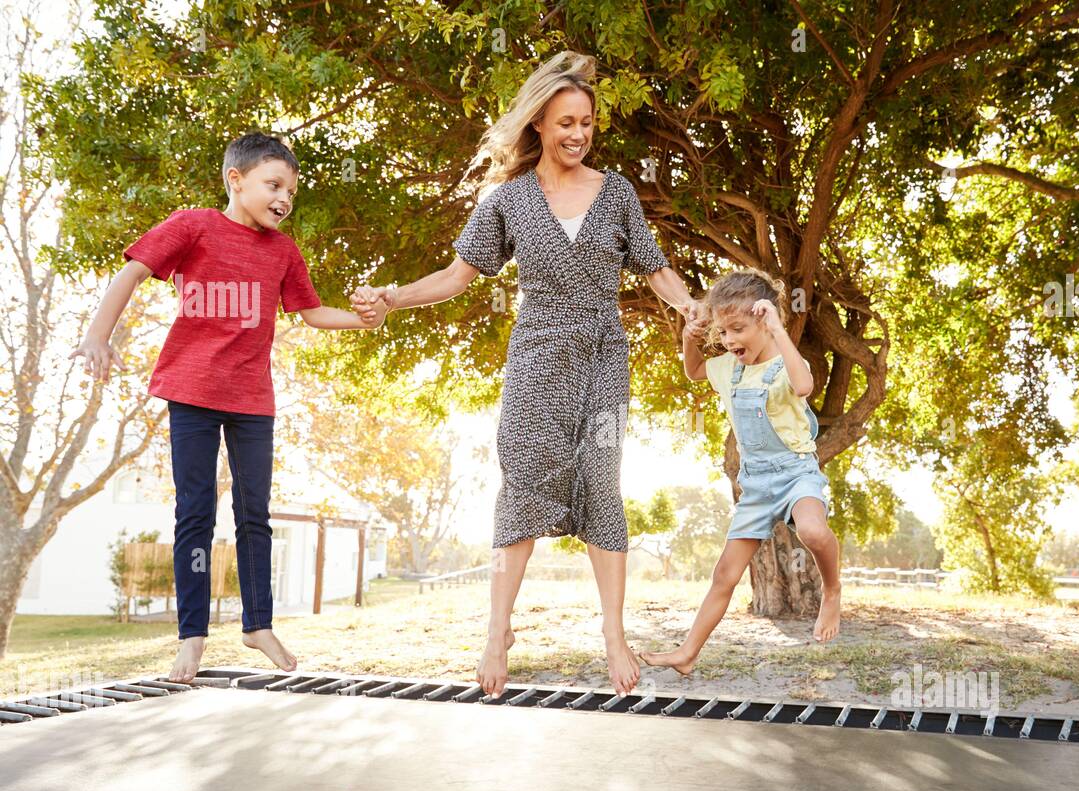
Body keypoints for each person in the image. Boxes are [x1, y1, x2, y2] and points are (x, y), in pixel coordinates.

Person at [352, 51, 700, 699]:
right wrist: (394, 296)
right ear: (539, 123)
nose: (578, 134)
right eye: (566, 122)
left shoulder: (617, 193)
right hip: (535, 362)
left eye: (588, 124)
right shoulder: (507, 202)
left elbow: (655, 267)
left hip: (601, 357)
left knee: (600, 480)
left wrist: (693, 309)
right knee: (522, 484)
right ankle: (496, 631)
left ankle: (614, 635)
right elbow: (458, 277)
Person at [71, 131, 387, 683]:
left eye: (291, 190)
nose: (285, 198)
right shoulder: (194, 225)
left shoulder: (284, 252)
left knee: (254, 515)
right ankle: (192, 638)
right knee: (195, 513)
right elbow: (132, 271)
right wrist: (99, 335)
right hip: (191, 392)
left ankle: (256, 623)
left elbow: (311, 314)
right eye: (273, 185)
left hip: (251, 400)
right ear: (236, 180)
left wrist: (364, 317)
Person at [640, 268, 841, 676]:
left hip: (796, 472)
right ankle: (688, 652)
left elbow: (804, 386)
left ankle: (833, 589)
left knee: (813, 531)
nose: (729, 340)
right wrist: (688, 336)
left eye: (738, 329)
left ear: (764, 323)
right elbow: (694, 371)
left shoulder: (785, 364)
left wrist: (780, 330)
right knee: (725, 574)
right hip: (756, 485)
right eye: (723, 332)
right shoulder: (728, 370)